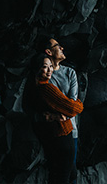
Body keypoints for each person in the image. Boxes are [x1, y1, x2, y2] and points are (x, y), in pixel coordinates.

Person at [32, 54, 83, 184]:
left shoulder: (35, 87)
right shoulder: (47, 88)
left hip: (54, 137)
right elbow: (73, 109)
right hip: (62, 136)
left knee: (64, 175)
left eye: (50, 67)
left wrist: (53, 115)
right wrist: (78, 104)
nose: (49, 70)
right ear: (37, 69)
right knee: (64, 177)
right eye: (45, 67)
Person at [41, 37, 80, 183]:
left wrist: (58, 111)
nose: (62, 48)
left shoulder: (70, 73)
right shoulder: (45, 73)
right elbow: (45, 102)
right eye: (58, 46)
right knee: (59, 172)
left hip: (71, 129)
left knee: (72, 172)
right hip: (52, 131)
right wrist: (59, 112)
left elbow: (73, 104)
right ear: (49, 51)